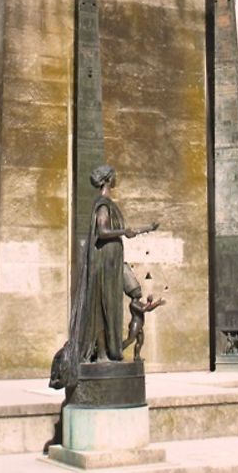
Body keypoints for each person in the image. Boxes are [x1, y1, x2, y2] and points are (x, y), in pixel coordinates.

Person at [49, 165, 158, 390]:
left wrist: (138, 230)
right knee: (103, 307)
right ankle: (102, 355)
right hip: (105, 263)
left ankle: (106, 352)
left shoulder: (107, 204)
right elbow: (102, 232)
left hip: (111, 261)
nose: (117, 177)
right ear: (108, 179)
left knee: (108, 305)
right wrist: (123, 232)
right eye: (114, 175)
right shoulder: (103, 205)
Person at [123, 294, 166, 361]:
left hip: (139, 325)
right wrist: (149, 302)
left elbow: (148, 309)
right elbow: (142, 309)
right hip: (135, 324)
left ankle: (137, 356)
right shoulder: (133, 304)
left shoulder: (139, 303)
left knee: (140, 341)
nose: (140, 293)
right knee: (130, 340)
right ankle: (119, 350)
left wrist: (157, 303)